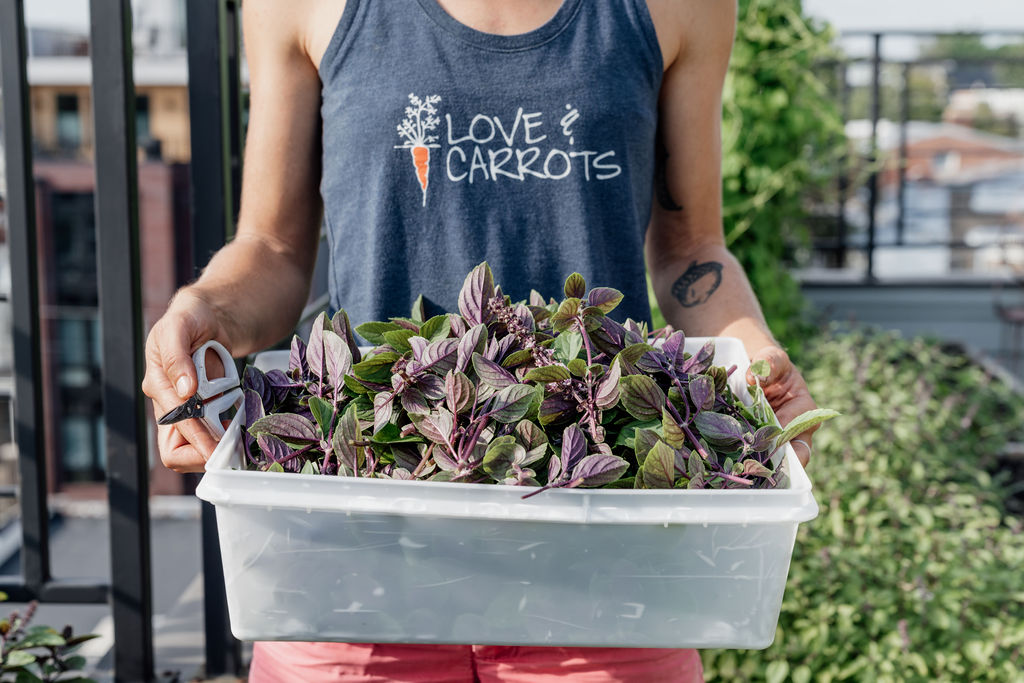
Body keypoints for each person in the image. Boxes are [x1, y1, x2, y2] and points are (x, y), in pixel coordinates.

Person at [143, 0, 820, 680]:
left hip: (601, 564)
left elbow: (691, 250)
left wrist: (755, 357)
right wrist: (204, 311)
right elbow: (273, 247)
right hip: (355, 552)